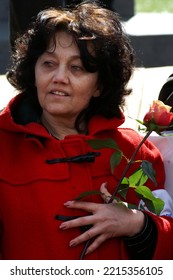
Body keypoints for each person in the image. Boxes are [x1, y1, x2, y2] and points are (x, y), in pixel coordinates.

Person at [1, 1, 173, 260]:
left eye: (76, 67)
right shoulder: (3, 147)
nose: (59, 77)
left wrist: (139, 225)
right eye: (48, 63)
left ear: (100, 85)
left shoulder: (137, 152)